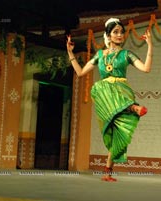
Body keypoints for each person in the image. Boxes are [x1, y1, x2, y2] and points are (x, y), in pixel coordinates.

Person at [66, 17, 153, 182]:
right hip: (105, 95)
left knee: (118, 137)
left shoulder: (126, 54)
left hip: (121, 91)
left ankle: (107, 172)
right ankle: (133, 107)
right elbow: (80, 73)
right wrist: (70, 53)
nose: (120, 35)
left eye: (121, 32)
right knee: (104, 86)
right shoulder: (99, 55)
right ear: (108, 35)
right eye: (116, 32)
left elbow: (146, 68)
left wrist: (150, 46)